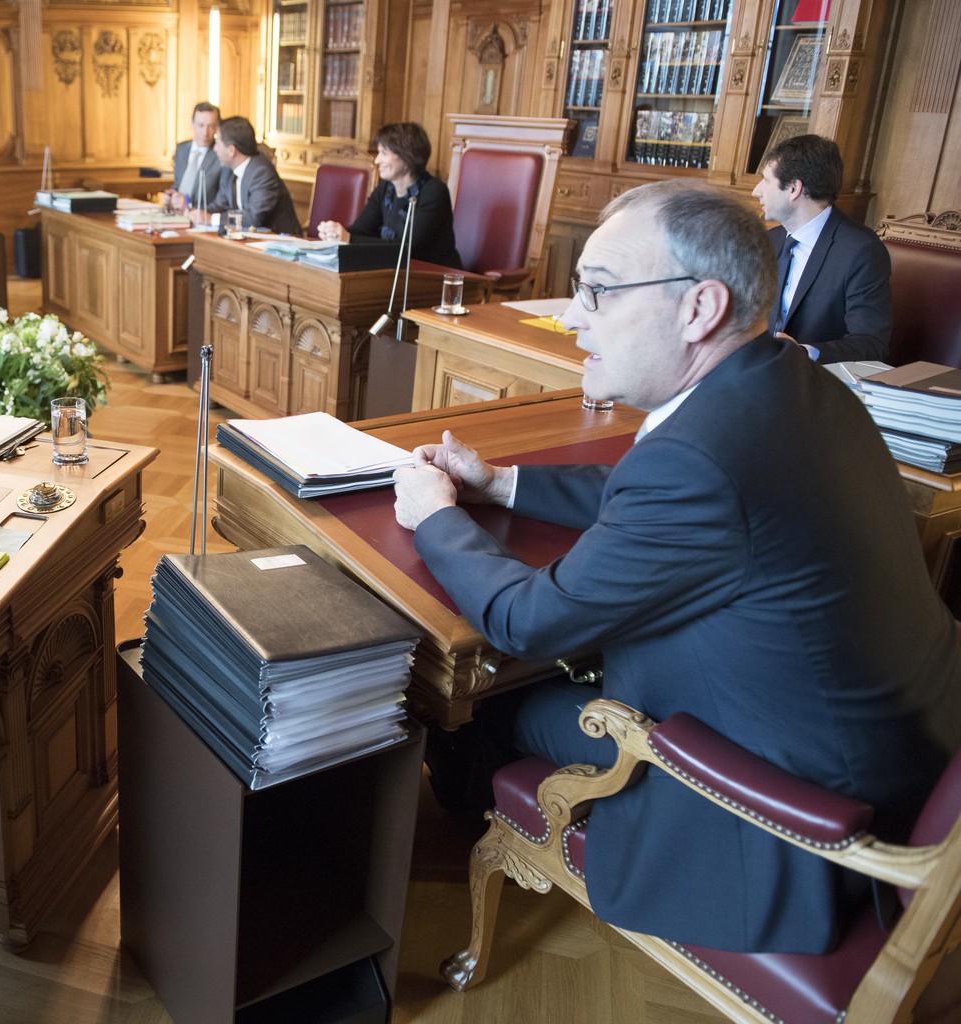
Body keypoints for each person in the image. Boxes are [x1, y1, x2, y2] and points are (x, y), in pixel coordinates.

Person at [392, 179, 961, 955]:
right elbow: (657, 495)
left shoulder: (698, 459)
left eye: (597, 292)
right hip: (898, 749)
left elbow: (525, 620)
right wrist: (503, 483)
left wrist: (436, 516)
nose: (571, 316)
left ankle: (482, 834)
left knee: (490, 699)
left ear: (699, 308)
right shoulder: (790, 383)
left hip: (792, 815)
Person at [751, 133, 891, 363]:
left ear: (794, 188)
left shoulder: (861, 251)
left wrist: (805, 353)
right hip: (762, 373)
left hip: (818, 383)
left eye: (766, 180)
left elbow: (871, 343)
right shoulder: (769, 240)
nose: (756, 191)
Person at [316, 121, 461, 268]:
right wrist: (335, 233)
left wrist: (349, 239)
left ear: (407, 156)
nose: (377, 160)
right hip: (398, 271)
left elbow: (408, 247)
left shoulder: (434, 192)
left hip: (434, 276)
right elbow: (361, 230)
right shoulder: (385, 189)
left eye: (384, 153)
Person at [195, 116, 302, 236]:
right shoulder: (228, 169)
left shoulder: (261, 172)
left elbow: (253, 218)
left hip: (280, 243)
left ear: (231, 150)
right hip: (248, 240)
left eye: (218, 143)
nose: (214, 149)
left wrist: (211, 219)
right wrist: (196, 212)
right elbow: (220, 204)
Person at [167, 102, 224, 213]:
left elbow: (222, 200)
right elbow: (178, 184)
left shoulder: (220, 155)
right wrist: (171, 195)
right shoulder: (181, 148)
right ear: (192, 123)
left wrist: (189, 205)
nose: (205, 132)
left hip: (201, 215)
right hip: (176, 214)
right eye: (201, 125)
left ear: (217, 127)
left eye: (211, 126)